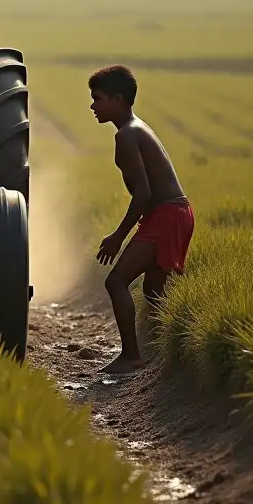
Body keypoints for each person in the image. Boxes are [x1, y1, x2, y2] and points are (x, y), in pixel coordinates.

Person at [89, 64, 194, 374]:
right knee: (153, 291)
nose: (92, 105)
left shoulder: (128, 135)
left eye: (98, 98)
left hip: (166, 215)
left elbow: (144, 193)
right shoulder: (135, 129)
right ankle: (172, 355)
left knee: (116, 281)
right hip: (175, 213)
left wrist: (118, 236)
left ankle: (132, 355)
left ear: (118, 99)